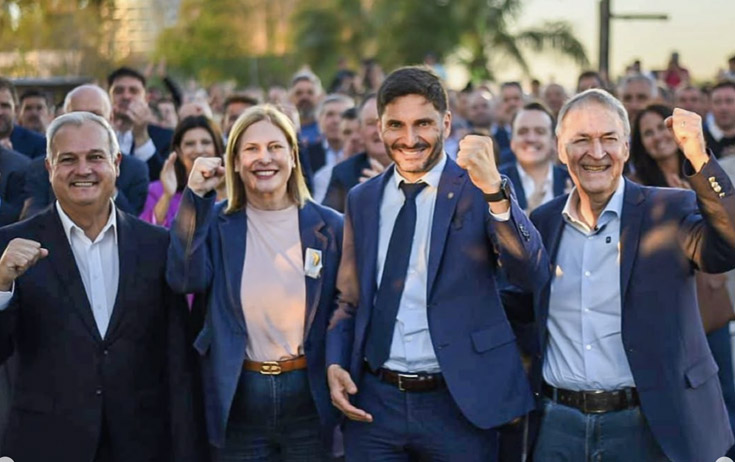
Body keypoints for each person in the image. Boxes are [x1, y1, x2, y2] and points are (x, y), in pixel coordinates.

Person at [326, 66, 548, 461]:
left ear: (446, 123)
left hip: (460, 402)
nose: (410, 139)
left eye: (423, 123)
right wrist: (335, 362)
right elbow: (349, 299)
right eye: (396, 124)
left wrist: (495, 192)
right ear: (380, 127)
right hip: (375, 405)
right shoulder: (362, 199)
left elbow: (530, 274)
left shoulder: (480, 188)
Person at [506, 89, 735, 461]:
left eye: (609, 139)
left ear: (626, 148)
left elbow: (729, 245)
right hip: (558, 426)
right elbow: (520, 304)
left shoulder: (669, 209)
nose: (596, 153)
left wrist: (698, 155)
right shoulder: (544, 222)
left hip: (649, 424)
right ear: (560, 150)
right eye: (581, 140)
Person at [0, 112, 205, 461]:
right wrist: (2, 284)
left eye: (95, 157)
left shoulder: (156, 245)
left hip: (142, 445)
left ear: (117, 163)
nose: (83, 170)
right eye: (68, 159)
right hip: (47, 444)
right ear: (49, 168)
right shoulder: (10, 247)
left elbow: (177, 363)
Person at [167, 104, 343, 460]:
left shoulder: (331, 226)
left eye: (275, 147)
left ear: (293, 156)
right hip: (240, 394)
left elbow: (344, 308)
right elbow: (184, 278)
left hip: (309, 395)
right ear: (234, 161)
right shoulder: (217, 223)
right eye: (251, 149)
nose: (264, 158)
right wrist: (195, 198)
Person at [629, 103, 735, 455]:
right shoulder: (635, 188)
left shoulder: (703, 168)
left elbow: (726, 230)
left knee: (725, 390)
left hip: (711, 305)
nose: (657, 138)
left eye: (661, 129)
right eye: (647, 133)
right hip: (669, 315)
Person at [23, 84, 150, 218]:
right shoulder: (39, 168)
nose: (86, 124)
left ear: (111, 119)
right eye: (77, 116)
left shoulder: (135, 170)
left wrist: (108, 186)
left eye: (96, 116)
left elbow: (134, 224)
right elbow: (33, 220)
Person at [140, 115, 224, 228]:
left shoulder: (232, 188)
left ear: (217, 147)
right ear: (179, 151)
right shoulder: (158, 191)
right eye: (190, 144)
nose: (198, 150)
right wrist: (167, 196)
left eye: (205, 142)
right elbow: (145, 232)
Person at [322, 94, 390, 213]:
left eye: (386, 122)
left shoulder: (418, 168)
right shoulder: (343, 173)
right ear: (360, 130)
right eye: (371, 123)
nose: (378, 130)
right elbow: (327, 221)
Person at [501, 102, 570, 214]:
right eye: (523, 132)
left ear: (554, 141)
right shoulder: (495, 184)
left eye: (540, 132)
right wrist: (528, 214)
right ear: (512, 142)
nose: (531, 139)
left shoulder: (572, 181)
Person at [108, 66, 173, 181]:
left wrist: (141, 136)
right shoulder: (96, 135)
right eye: (118, 91)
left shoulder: (166, 137)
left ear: (146, 99)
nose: (126, 96)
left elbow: (159, 181)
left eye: (133, 91)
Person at [0, 78, 46, 159]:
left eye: (5, 106)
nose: (0, 112)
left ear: (16, 110)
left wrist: (10, 157)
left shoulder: (38, 143)